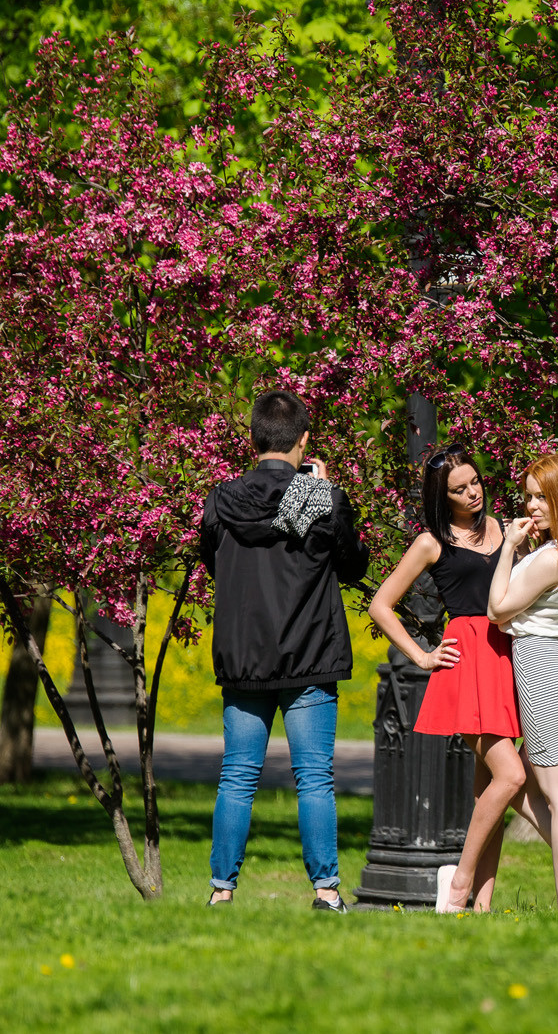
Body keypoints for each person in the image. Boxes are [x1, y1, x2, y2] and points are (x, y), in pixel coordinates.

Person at [367, 445, 558, 913]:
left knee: (490, 787)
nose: (472, 494)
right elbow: (381, 604)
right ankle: (460, 880)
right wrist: (422, 656)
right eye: (458, 490)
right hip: (469, 658)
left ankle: (482, 906)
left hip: (512, 656)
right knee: (512, 776)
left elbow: (550, 584)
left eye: (475, 482)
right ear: (442, 496)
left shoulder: (509, 529)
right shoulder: (431, 541)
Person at [200, 390, 370, 911]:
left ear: (253, 440)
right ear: (304, 441)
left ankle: (221, 891)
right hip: (310, 654)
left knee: (237, 776)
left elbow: (214, 563)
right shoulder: (323, 499)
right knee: (314, 778)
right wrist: (322, 495)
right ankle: (325, 891)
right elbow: (353, 566)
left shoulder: (220, 501)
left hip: (245, 657)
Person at [486, 453, 558, 912]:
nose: (532, 506)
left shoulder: (550, 557)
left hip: (543, 676)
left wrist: (505, 551)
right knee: (519, 780)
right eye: (529, 496)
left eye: (543, 497)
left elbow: (499, 611)